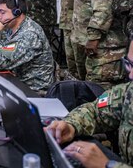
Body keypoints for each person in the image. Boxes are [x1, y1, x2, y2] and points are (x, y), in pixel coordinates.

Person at [47, 39, 133, 168]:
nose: (131, 75)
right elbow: (95, 111)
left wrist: (107, 165)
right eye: (129, 64)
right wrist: (71, 125)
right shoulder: (129, 91)